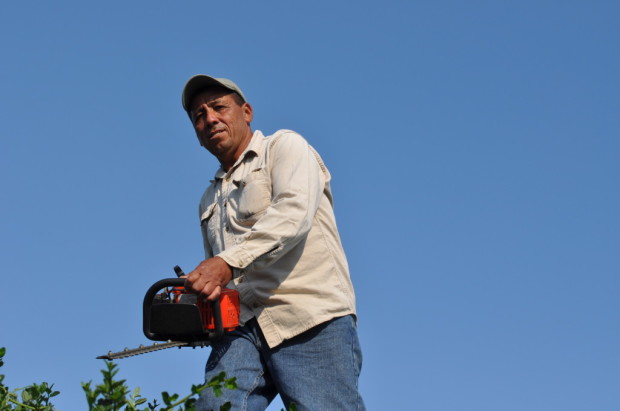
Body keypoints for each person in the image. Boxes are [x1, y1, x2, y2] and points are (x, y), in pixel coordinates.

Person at [181, 74, 365, 411]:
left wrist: (224, 264)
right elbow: (224, 277)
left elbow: (292, 215)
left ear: (246, 112)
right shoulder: (208, 198)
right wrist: (198, 300)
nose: (209, 119)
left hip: (307, 317)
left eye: (218, 107)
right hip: (240, 328)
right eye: (198, 116)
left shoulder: (285, 147)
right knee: (214, 407)